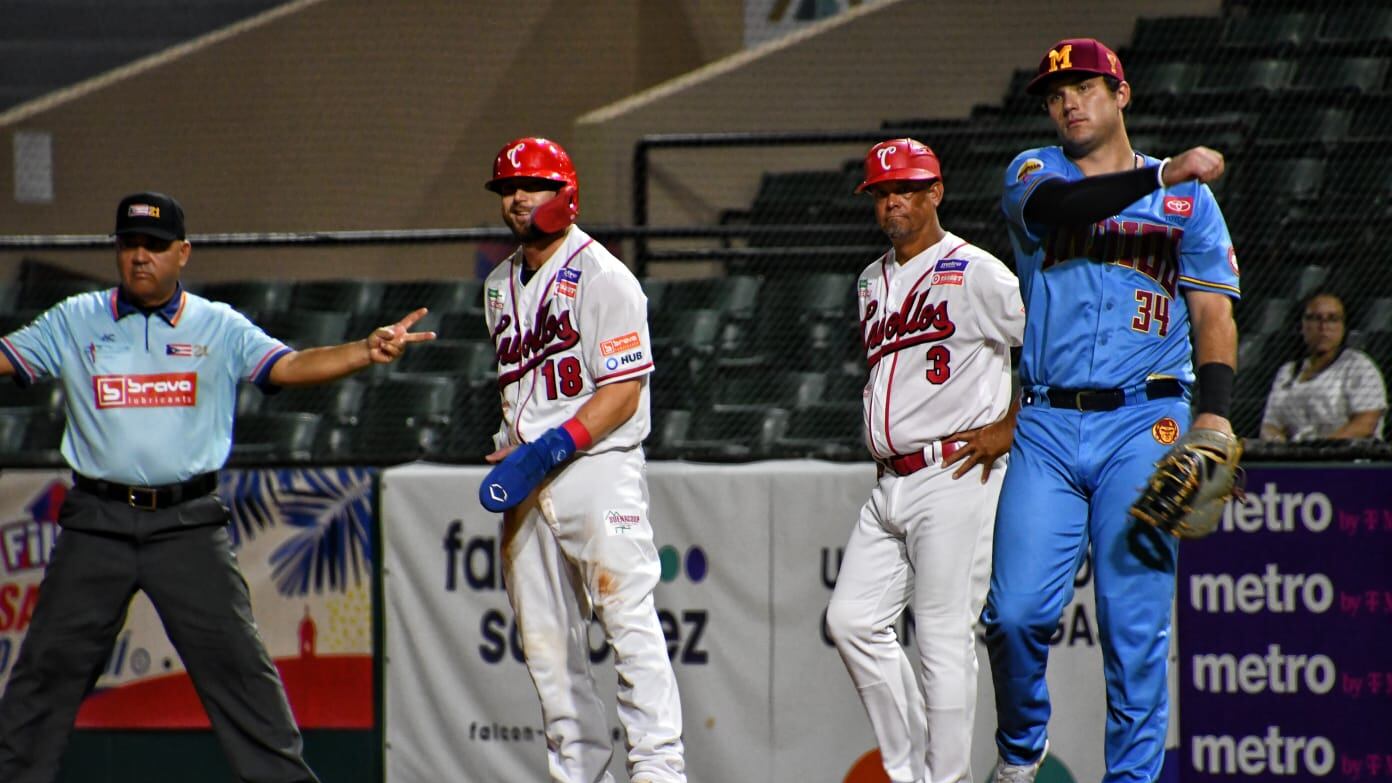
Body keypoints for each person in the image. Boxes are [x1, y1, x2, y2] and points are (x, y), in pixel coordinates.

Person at [0, 191, 435, 783]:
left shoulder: (217, 325)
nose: (140, 257)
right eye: (129, 245)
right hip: (94, 525)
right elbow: (6, 359)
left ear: (183, 252)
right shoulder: (75, 319)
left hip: (186, 526)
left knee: (240, 675)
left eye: (154, 246)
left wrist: (364, 350)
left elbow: (288, 366)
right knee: (43, 676)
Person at [981, 39, 1239, 783]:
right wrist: (1160, 173)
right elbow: (1066, 207)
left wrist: (1214, 417)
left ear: (1121, 94)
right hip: (1049, 426)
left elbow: (1214, 316)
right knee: (1016, 615)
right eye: (1055, 92)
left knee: (1134, 632)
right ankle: (1022, 746)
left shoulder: (1190, 201)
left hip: (1146, 421)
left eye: (1085, 86)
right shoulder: (1035, 172)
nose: (1068, 102)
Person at [474, 137, 686, 783]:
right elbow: (523, 385)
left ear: (565, 192)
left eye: (532, 184)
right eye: (508, 187)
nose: (517, 197)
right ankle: (579, 772)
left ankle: (659, 771)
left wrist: (552, 444)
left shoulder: (603, 275)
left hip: (596, 465)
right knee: (546, 647)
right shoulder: (497, 284)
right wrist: (516, 441)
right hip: (531, 476)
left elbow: (623, 390)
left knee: (629, 623)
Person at [824, 138, 1025, 783]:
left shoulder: (976, 271)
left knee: (941, 639)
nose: (892, 203)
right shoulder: (870, 280)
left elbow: (1053, 345)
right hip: (889, 482)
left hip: (955, 472)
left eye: (905, 189)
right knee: (851, 622)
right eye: (882, 193)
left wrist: (1013, 424)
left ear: (936, 192)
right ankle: (913, 773)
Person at [1261, 292, 1387, 441]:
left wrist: (1322, 450)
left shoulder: (1359, 366)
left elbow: (1366, 422)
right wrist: (1280, 446)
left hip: (1347, 459)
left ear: (1343, 326)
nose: (1323, 327)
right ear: (1302, 325)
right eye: (1314, 318)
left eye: (1332, 319)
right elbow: (1269, 425)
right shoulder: (1287, 372)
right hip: (1296, 458)